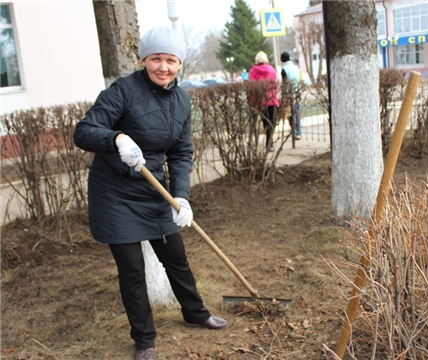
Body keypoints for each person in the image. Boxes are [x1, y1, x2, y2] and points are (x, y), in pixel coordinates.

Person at [73, 26, 227, 360]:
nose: (163, 67)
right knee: (132, 269)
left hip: (152, 187)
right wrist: (116, 139)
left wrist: (181, 196)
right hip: (114, 193)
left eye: (171, 60)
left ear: (179, 64)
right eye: (156, 58)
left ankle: (195, 313)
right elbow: (84, 131)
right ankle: (144, 339)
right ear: (144, 59)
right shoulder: (122, 91)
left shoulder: (182, 99)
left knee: (176, 256)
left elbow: (182, 152)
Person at [248, 51, 280, 151]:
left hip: (261, 100)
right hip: (271, 99)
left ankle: (268, 143)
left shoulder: (253, 71)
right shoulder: (271, 69)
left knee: (265, 122)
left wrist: (253, 100)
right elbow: (275, 84)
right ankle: (270, 143)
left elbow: (252, 86)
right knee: (272, 122)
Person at [280, 51, 302, 141]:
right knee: (297, 112)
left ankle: (294, 131)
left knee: (290, 113)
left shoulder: (284, 69)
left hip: (288, 93)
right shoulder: (296, 68)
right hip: (298, 92)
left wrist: (283, 93)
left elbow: (284, 82)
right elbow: (300, 79)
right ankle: (298, 132)